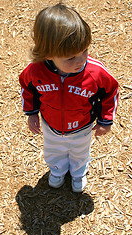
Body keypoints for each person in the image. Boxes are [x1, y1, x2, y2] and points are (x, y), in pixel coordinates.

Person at [19, 3, 119, 192]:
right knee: (53, 150)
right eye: (71, 58)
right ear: (48, 54)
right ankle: (57, 170)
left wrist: (106, 120)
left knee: (80, 152)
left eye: (85, 51)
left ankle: (78, 172)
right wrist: (31, 113)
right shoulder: (35, 71)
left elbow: (111, 91)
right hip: (51, 125)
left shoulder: (95, 72)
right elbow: (27, 88)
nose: (81, 60)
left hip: (82, 126)